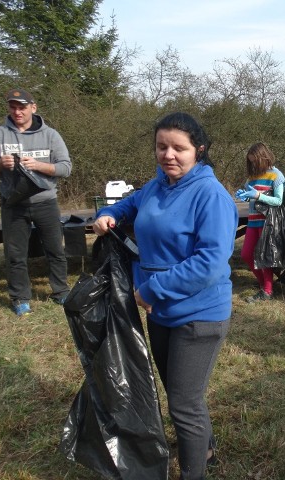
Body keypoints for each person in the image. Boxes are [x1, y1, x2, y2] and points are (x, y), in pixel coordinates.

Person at [93, 112, 238, 480]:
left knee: (183, 404)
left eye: (179, 148)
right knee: (179, 394)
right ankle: (203, 446)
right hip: (160, 312)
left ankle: (194, 472)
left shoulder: (211, 195)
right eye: (161, 146)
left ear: (199, 150)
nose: (168, 155)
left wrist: (151, 289)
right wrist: (108, 213)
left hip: (200, 314)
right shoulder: (156, 185)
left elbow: (209, 263)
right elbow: (130, 205)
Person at [0, 88, 72, 316]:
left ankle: (61, 292)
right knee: (15, 255)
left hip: (46, 202)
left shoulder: (51, 135)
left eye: (22, 107)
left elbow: (65, 168)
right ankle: (20, 298)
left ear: (33, 107)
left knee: (55, 250)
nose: (17, 111)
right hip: (13, 204)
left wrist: (39, 166)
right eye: (13, 107)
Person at [236, 142, 285, 303]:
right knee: (246, 254)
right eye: (250, 162)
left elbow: (278, 201)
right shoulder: (252, 177)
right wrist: (244, 195)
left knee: (264, 256)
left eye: (254, 161)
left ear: (263, 158)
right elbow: (249, 193)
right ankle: (264, 285)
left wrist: (258, 196)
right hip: (253, 221)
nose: (252, 165)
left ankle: (267, 290)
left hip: (267, 222)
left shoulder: (276, 175)